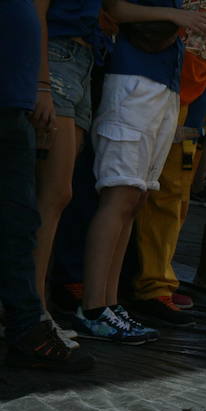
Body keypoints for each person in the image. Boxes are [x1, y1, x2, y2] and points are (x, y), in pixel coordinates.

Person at [75, 0, 206, 342]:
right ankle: (94, 307)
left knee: (135, 198)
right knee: (119, 194)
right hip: (131, 79)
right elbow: (117, 9)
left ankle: (110, 302)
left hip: (163, 81)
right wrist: (175, 16)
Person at [129, 0, 206, 326]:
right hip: (146, 82)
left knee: (174, 194)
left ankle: (156, 283)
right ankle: (134, 282)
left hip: (193, 98)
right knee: (127, 187)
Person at [2, 0, 93, 371]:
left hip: (14, 97)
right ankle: (27, 322)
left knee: (20, 220)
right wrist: (42, 86)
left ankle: (27, 325)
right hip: (25, 88)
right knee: (21, 214)